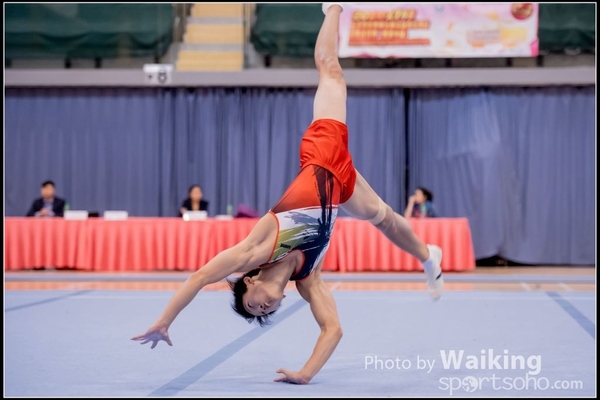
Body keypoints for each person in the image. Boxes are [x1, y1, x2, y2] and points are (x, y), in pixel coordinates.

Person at [132, 3, 444, 385]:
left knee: (329, 69)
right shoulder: (308, 279)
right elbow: (333, 330)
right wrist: (304, 374)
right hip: (340, 185)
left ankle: (333, 7)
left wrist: (164, 321)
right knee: (386, 219)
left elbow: (199, 277)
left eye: (253, 304)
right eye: (265, 312)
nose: (263, 307)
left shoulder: (255, 251)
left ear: (249, 281)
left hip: (322, 156)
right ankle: (428, 256)